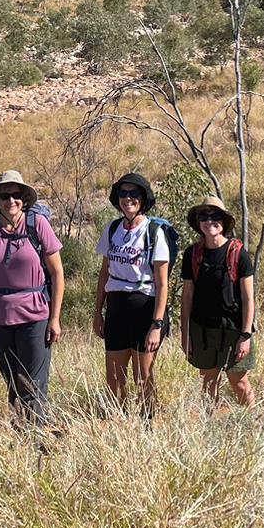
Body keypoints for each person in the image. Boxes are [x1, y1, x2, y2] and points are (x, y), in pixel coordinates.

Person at [0, 170, 64, 425]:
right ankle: (21, 436)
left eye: (15, 195)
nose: (11, 201)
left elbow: (57, 273)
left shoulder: (37, 225)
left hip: (35, 315)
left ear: (24, 199)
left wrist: (54, 318)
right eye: (5, 196)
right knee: (13, 381)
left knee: (33, 383)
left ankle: (37, 438)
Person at [93, 172, 171, 416]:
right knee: (114, 378)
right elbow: (104, 273)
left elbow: (162, 283)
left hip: (145, 308)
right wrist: (97, 312)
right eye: (123, 194)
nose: (128, 199)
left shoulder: (154, 232)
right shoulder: (113, 228)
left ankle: (148, 425)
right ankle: (121, 423)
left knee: (143, 376)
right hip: (116, 308)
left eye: (134, 194)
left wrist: (157, 324)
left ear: (143, 198)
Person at [179, 195, 258, 408]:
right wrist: (185, 334)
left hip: (234, 330)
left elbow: (248, 298)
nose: (209, 221)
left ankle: (254, 428)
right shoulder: (192, 254)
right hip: (203, 330)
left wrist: (245, 335)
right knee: (208, 380)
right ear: (198, 222)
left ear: (223, 221)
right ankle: (209, 430)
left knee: (239, 381)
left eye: (215, 216)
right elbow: (187, 297)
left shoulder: (238, 253)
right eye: (203, 216)